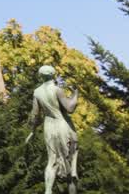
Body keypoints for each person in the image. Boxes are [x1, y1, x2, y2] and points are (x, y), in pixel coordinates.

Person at [25, 64, 79, 194]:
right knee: (70, 160)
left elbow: (35, 115)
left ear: (40, 76)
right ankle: (72, 180)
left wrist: (32, 131)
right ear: (53, 75)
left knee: (52, 161)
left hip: (48, 126)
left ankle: (48, 191)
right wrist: (75, 94)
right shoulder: (57, 90)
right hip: (62, 124)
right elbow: (70, 108)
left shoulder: (37, 92)